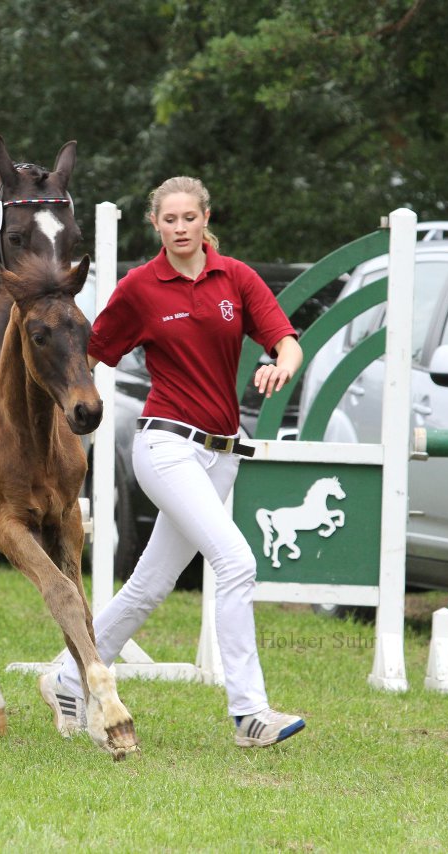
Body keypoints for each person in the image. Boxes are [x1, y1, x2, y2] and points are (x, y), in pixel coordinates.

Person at [40, 176, 306, 748]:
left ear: (205, 218)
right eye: (170, 220)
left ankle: (64, 675)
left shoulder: (236, 277)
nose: (181, 228)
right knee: (236, 563)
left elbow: (285, 339)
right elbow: (84, 353)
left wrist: (282, 362)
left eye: (190, 218)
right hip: (165, 446)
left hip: (223, 455)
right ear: (155, 225)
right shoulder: (140, 288)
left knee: (148, 587)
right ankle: (249, 714)